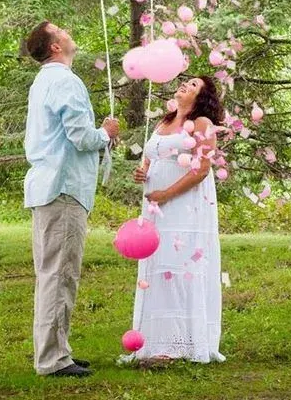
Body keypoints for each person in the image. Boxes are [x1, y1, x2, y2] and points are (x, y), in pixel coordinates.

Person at [23, 21, 119, 378]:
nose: (67, 32)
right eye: (60, 30)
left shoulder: (45, 81)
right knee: (59, 275)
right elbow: (80, 136)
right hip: (62, 189)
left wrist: (100, 138)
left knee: (55, 273)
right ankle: (52, 360)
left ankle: (58, 351)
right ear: (54, 47)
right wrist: (105, 133)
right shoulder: (64, 80)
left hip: (50, 186)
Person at [130, 75, 226, 364]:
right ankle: (156, 340)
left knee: (180, 265)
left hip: (185, 209)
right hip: (156, 208)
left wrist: (167, 194)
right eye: (187, 81)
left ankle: (180, 344)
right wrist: (143, 172)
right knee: (158, 267)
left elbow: (201, 170)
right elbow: (151, 157)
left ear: (202, 97)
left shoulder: (202, 125)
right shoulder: (164, 121)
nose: (186, 84)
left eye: (194, 85)